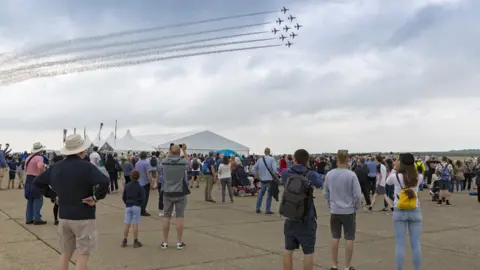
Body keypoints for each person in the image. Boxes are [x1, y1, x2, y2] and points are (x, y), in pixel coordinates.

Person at [33, 134, 110, 270]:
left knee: (65, 253)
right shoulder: (87, 167)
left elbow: (37, 182)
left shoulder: (56, 167)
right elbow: (104, 181)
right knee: (83, 253)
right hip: (83, 215)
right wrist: (96, 197)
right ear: (81, 151)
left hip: (64, 215)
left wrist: (54, 196)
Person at [281, 149, 322, 270]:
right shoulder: (311, 174)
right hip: (306, 216)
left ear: (294, 159)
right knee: (308, 252)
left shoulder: (286, 173)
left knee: (288, 249)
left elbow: (283, 181)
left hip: (290, 214)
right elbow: (320, 184)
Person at [324, 150, 362, 270]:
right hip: (348, 211)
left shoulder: (330, 174)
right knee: (349, 238)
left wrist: (330, 204)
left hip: (335, 210)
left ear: (337, 159)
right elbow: (357, 195)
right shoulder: (351, 175)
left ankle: (334, 264)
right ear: (347, 160)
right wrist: (356, 206)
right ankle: (347, 266)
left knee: (335, 237)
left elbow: (326, 193)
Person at [386, 153, 423, 270]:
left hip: (399, 210)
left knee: (400, 244)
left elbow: (387, 182)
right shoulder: (418, 177)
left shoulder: (395, 176)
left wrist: (393, 168)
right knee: (416, 244)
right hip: (415, 210)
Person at [160, 144, 190, 250]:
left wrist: (171, 151)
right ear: (179, 152)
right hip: (180, 191)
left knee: (166, 216)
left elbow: (165, 158)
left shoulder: (164, 162)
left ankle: (165, 241)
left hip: (167, 191)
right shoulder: (183, 162)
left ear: (170, 152)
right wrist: (184, 150)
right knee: (179, 217)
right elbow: (189, 163)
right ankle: (179, 241)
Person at [24, 142, 48, 225]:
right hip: (36, 178)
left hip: (28, 179)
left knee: (30, 199)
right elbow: (40, 166)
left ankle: (29, 218)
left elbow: (25, 169)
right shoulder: (39, 158)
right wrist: (43, 170)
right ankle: (37, 218)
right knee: (38, 199)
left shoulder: (28, 158)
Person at [121, 169, 145, 248]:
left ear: (130, 177)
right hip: (136, 205)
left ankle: (124, 240)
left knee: (127, 223)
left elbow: (123, 197)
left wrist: (126, 202)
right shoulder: (140, 187)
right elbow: (143, 198)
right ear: (138, 177)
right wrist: (140, 204)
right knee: (135, 223)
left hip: (128, 205)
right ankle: (135, 241)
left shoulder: (127, 186)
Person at [252, 147, 278, 214]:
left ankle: (258, 208)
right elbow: (275, 170)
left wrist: (257, 176)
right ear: (269, 152)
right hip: (270, 180)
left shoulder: (260, 160)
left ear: (264, 152)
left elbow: (253, 169)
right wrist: (276, 175)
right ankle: (267, 210)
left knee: (260, 194)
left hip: (262, 179)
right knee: (269, 195)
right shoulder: (272, 159)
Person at [135, 152, 153, 216]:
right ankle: (142, 210)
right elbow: (148, 173)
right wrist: (151, 182)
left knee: (139, 197)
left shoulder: (137, 163)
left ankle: (138, 209)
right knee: (145, 197)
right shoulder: (147, 163)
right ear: (146, 156)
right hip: (145, 182)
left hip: (138, 182)